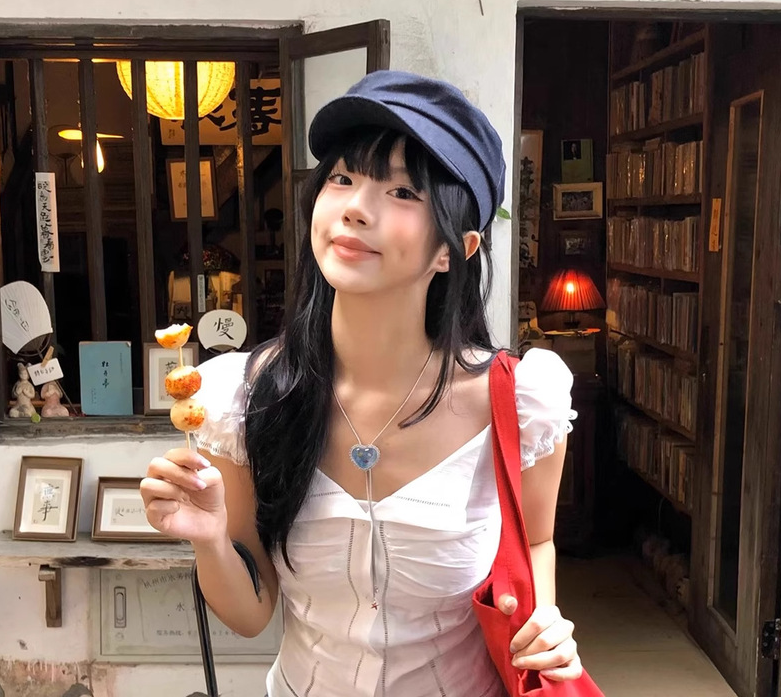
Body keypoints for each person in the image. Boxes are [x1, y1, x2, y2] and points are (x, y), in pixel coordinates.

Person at [141, 71, 583, 696]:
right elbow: (251, 615)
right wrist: (210, 539)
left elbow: (536, 541)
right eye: (343, 179)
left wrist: (545, 623)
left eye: (401, 192)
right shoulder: (246, 398)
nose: (354, 207)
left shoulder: (518, 402)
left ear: (454, 249)